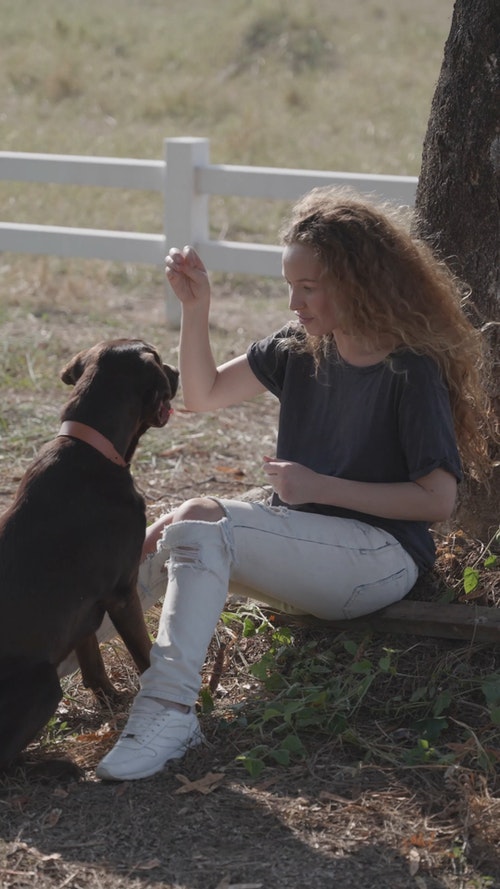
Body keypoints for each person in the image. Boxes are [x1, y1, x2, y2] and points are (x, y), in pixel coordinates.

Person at [96, 186, 494, 781]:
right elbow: (203, 395)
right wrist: (196, 308)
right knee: (170, 534)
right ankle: (31, 662)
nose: (294, 300)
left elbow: (438, 499)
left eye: (309, 287)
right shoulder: (297, 348)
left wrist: (319, 487)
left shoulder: (409, 370)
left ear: (359, 281)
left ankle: (169, 710)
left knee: (199, 517)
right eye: (292, 285)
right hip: (300, 538)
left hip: (380, 560)